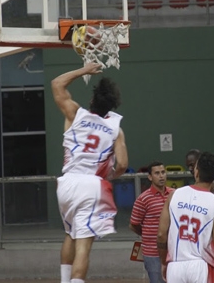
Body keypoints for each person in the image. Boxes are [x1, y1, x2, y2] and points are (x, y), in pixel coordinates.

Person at [52, 63, 129, 283]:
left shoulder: (74, 113)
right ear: (112, 106)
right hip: (91, 184)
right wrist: (109, 175)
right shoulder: (116, 128)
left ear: (92, 101)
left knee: (70, 234)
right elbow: (123, 163)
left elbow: (57, 83)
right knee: (84, 245)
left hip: (66, 182)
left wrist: (83, 71)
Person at [157, 152, 214, 283]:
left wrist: (164, 262)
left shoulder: (174, 195)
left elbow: (161, 234)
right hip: (200, 266)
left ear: (196, 172)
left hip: (175, 265)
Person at [185, 149, 214, 283]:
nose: (190, 169)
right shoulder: (199, 182)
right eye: (188, 165)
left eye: (192, 165)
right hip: (206, 230)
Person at [129, 161, 174, 283]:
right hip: (153, 253)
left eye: (163, 172)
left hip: (173, 250)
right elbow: (133, 224)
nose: (161, 176)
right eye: (157, 173)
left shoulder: (174, 194)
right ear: (150, 177)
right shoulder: (143, 199)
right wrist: (147, 234)